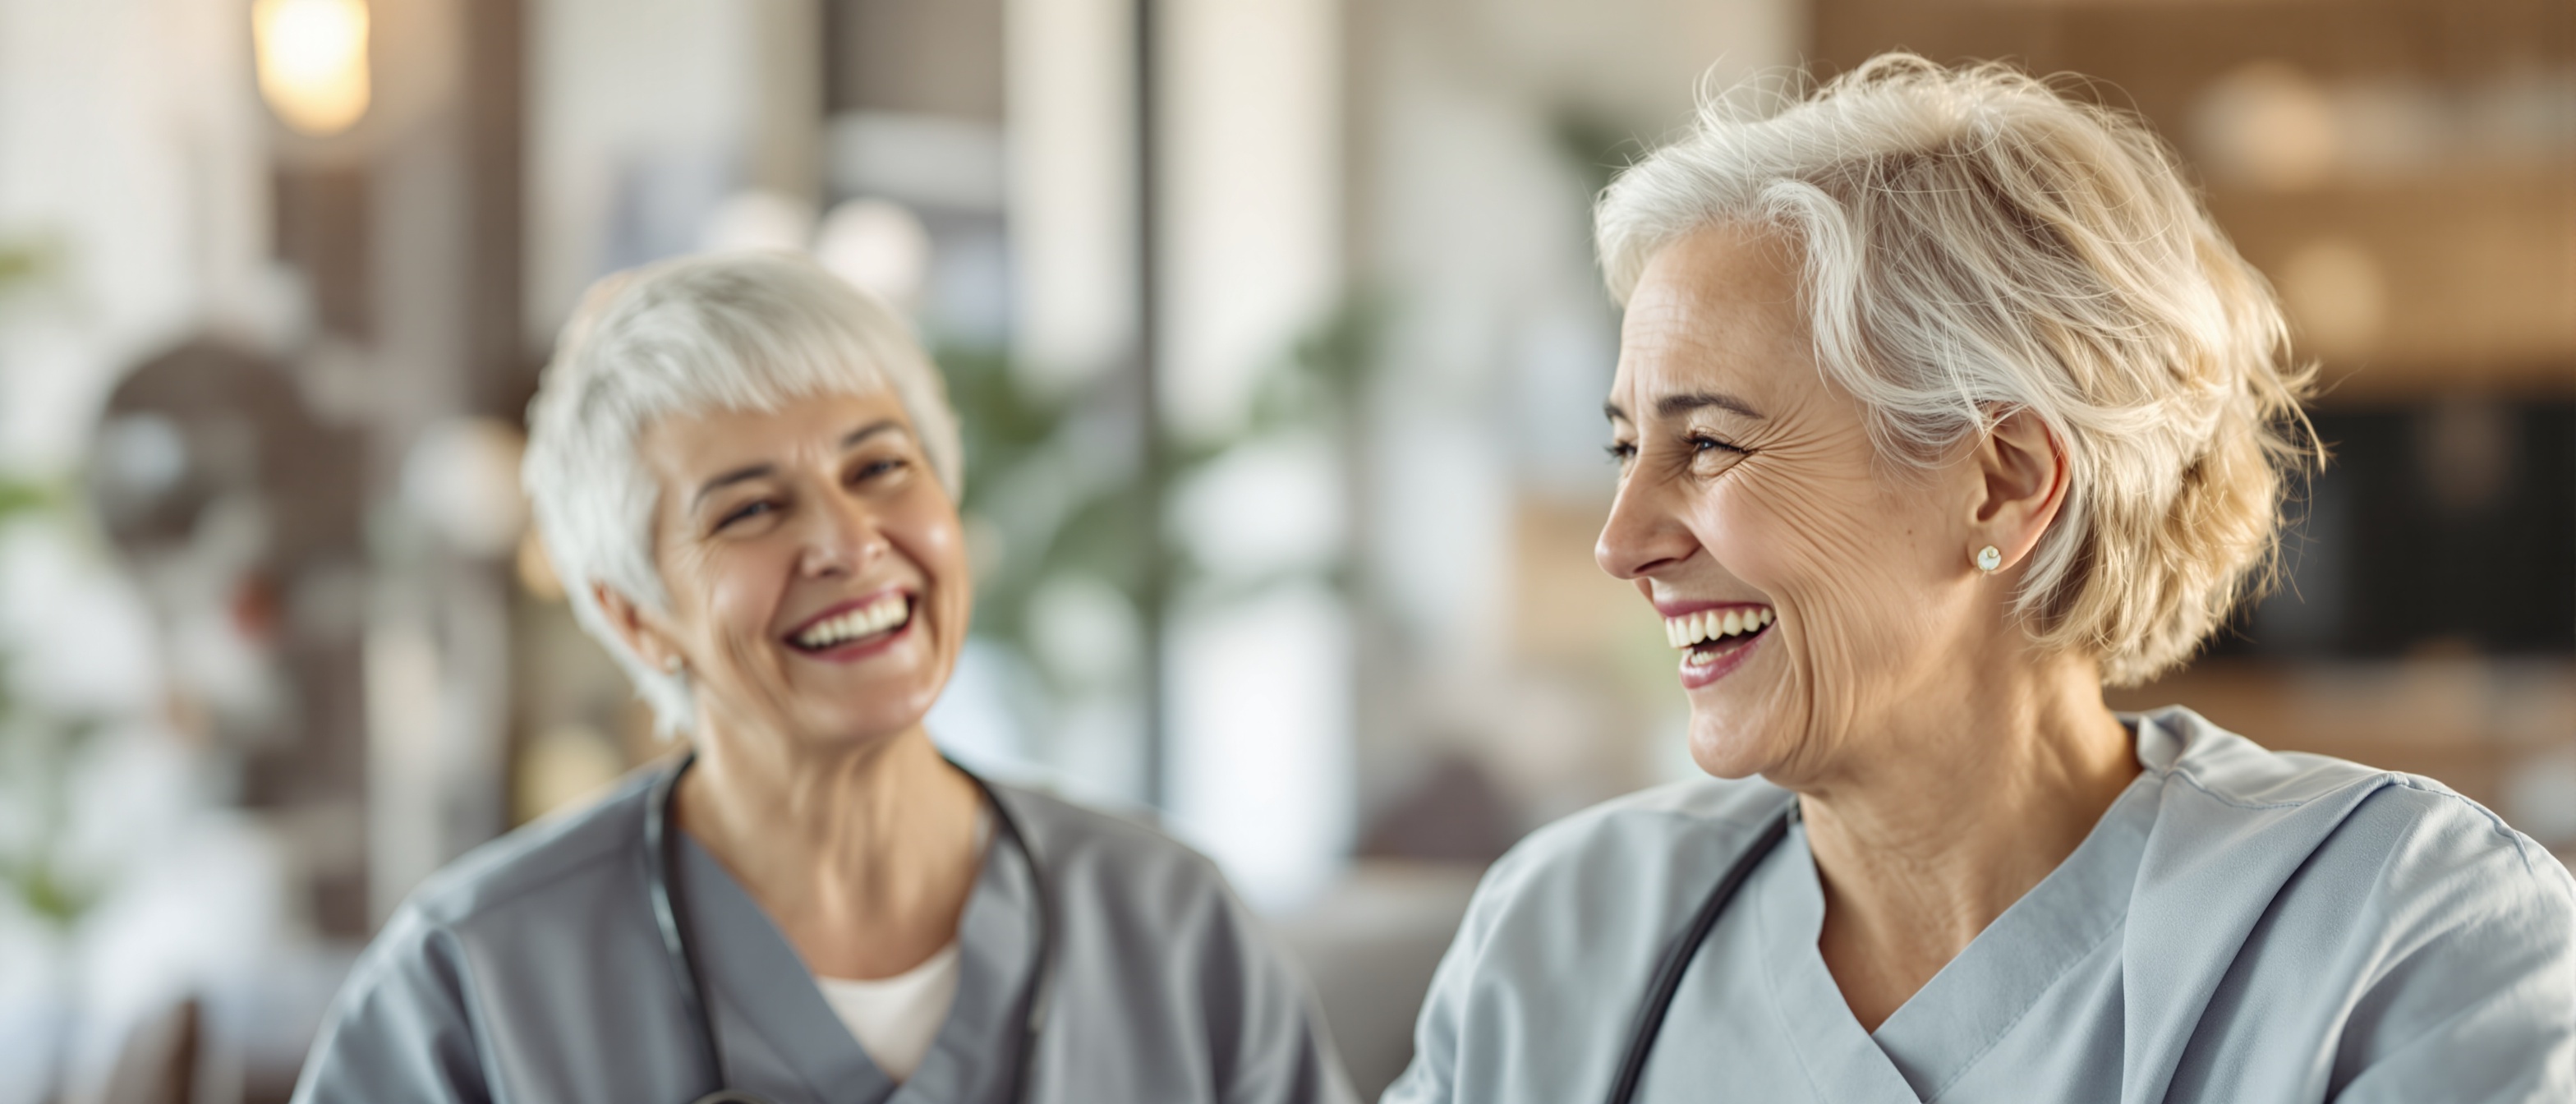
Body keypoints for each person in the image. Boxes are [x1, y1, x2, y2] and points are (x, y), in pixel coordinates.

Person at [1386, 54, 2575, 1104]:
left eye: (1707, 444)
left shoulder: (2404, 931)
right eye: (1622, 448)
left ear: (2002, 481)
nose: (1620, 539)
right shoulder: (1560, 936)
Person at [292, 252, 1355, 1104]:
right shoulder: (472, 983)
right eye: (750, 509)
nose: (848, 543)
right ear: (636, 615)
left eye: (880, 468)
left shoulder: (1169, 930)